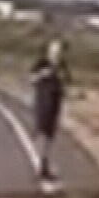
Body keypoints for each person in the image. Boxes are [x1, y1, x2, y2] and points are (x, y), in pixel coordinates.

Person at [29, 39, 70, 183]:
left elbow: (66, 82)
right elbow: (31, 79)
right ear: (49, 50)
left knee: (50, 135)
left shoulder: (62, 65)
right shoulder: (42, 63)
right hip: (43, 101)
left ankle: (44, 164)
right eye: (54, 50)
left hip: (56, 102)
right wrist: (42, 74)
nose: (57, 53)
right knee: (43, 132)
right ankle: (41, 165)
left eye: (60, 51)